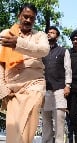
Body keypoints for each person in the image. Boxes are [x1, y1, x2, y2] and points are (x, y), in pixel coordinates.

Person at [0, 3, 50, 143]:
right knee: (14, 128)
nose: (28, 20)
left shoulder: (40, 35)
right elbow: (0, 63)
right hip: (13, 87)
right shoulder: (6, 34)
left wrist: (19, 43)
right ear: (19, 16)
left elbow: (44, 50)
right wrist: (3, 88)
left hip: (34, 83)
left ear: (35, 20)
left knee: (31, 113)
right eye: (25, 17)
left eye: (32, 18)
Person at [42, 26, 72, 143]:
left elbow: (68, 69)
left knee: (59, 121)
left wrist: (68, 85)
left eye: (53, 32)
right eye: (48, 32)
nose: (50, 34)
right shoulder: (41, 52)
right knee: (46, 121)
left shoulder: (63, 51)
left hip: (60, 90)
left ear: (57, 36)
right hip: (45, 91)